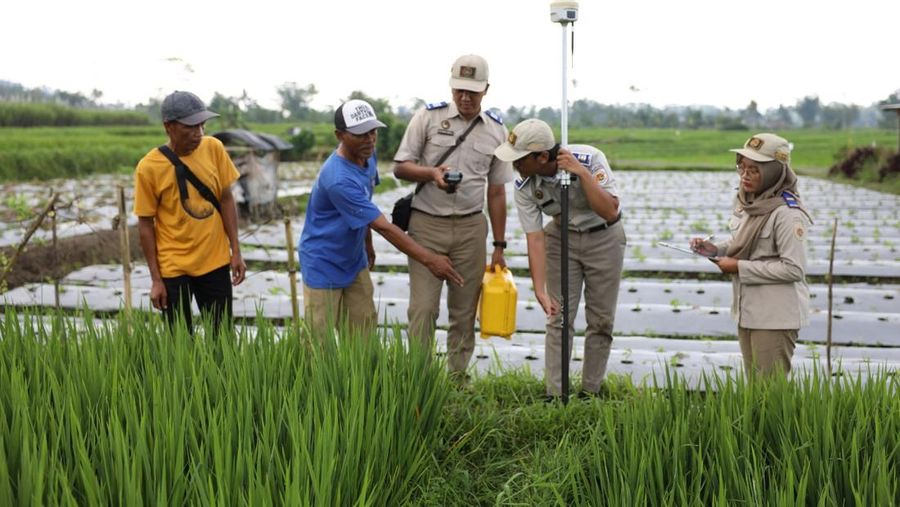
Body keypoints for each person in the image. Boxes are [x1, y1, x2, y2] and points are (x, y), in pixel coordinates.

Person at [392, 54, 514, 378]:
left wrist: (499, 245)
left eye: (472, 92)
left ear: (485, 90)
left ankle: (457, 378)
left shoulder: (497, 131)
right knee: (423, 308)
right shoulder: (427, 118)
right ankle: (419, 378)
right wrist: (431, 173)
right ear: (451, 86)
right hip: (426, 225)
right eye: (459, 89)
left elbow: (497, 191)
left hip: (472, 229)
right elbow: (400, 167)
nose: (465, 97)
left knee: (463, 311)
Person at [300, 99, 463, 337]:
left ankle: (362, 375)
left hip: (353, 260)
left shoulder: (367, 157)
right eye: (360, 134)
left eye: (372, 131)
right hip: (323, 262)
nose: (369, 139)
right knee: (318, 342)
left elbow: (365, 206)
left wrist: (366, 244)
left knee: (363, 333)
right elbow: (383, 226)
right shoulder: (338, 179)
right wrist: (430, 260)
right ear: (340, 135)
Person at [493, 119, 625, 400]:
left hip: (604, 237)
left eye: (519, 159)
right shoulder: (524, 184)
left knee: (601, 320)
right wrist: (539, 289)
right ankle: (555, 393)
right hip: (560, 238)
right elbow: (535, 237)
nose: (515, 165)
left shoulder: (589, 159)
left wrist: (580, 173)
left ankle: (591, 390)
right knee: (558, 315)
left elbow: (611, 211)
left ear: (542, 157)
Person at [691, 133, 812, 377]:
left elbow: (793, 269)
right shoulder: (750, 202)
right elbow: (744, 243)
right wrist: (716, 250)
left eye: (754, 170)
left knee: (769, 392)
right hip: (748, 311)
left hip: (775, 317)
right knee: (755, 391)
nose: (745, 175)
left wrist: (739, 267)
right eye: (742, 167)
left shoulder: (787, 213)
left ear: (773, 172)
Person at [133, 90, 246, 333]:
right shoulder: (148, 167)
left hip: (215, 262)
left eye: (202, 125)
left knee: (222, 338)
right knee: (180, 343)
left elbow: (226, 199)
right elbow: (145, 224)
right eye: (191, 127)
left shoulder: (213, 148)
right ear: (168, 126)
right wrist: (156, 280)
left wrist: (235, 251)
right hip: (173, 267)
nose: (199, 133)